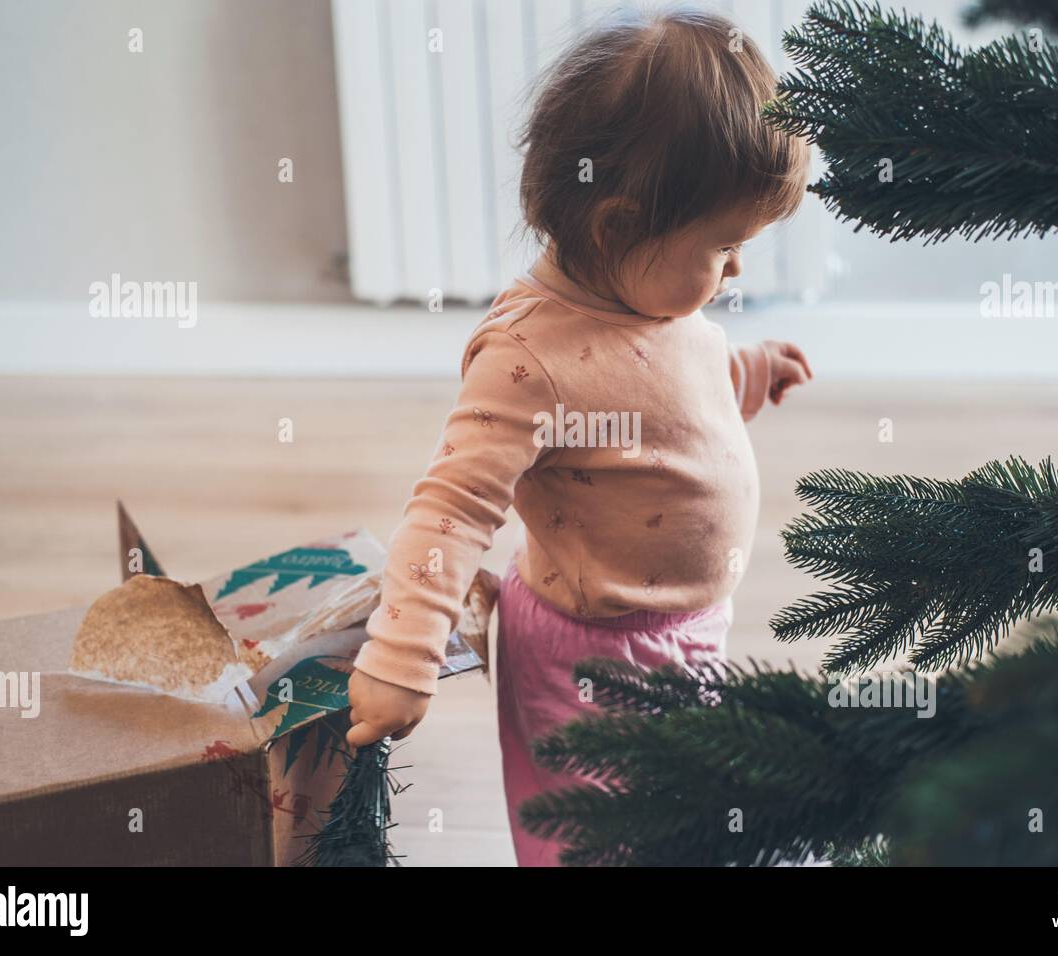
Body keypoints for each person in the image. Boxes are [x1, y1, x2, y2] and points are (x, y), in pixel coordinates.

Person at [346, 4, 812, 866]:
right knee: (592, 842)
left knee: (678, 820)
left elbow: (661, 393)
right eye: (724, 245)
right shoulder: (530, 361)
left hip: (687, 630)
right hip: (587, 658)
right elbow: (450, 506)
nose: (737, 268)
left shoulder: (652, 293)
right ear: (618, 227)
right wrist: (399, 656)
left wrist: (743, 373)